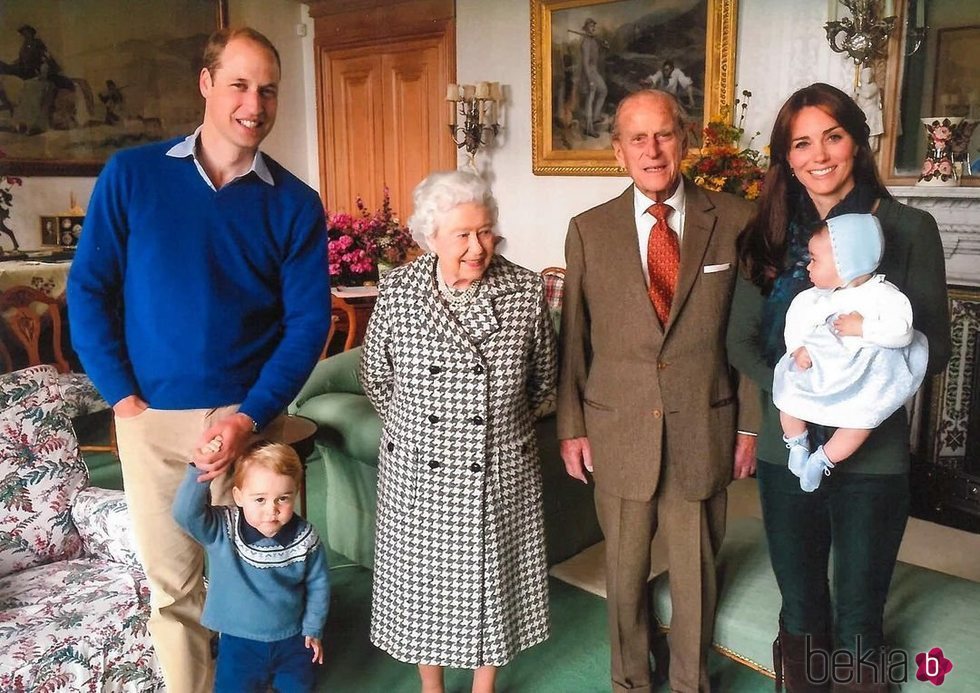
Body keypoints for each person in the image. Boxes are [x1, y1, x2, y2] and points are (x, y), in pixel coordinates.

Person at [67, 26, 330, 693]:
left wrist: (247, 419)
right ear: (207, 84)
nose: (255, 103)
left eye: (268, 89)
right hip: (150, 420)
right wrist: (120, 393)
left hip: (249, 421)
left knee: (261, 576)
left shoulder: (295, 203)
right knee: (175, 590)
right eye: (239, 84)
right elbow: (89, 287)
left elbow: (307, 325)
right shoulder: (133, 174)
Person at [727, 82, 950, 692]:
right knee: (800, 610)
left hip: (873, 455)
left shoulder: (908, 228)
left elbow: (936, 351)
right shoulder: (768, 231)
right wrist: (802, 390)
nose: (818, 155)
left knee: (859, 617)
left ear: (857, 141)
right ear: (785, 156)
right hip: (786, 448)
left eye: (833, 136)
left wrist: (858, 393)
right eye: (801, 143)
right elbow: (739, 343)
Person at [558, 89, 758, 693]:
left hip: (705, 423)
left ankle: (690, 682)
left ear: (686, 140)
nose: (652, 150)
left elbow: (752, 336)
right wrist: (571, 426)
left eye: (663, 134)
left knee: (696, 572)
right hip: (617, 428)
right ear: (618, 152)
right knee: (624, 573)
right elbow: (575, 341)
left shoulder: (736, 220)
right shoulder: (588, 231)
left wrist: (749, 424)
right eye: (637, 138)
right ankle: (629, 682)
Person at [360, 169, 556, 693]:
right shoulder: (400, 289)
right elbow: (376, 376)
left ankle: (484, 684)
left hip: (496, 465)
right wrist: (415, 432)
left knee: (491, 584)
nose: (477, 246)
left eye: (486, 231)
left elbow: (543, 381)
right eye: (462, 235)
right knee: (424, 587)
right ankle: (431, 684)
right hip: (418, 471)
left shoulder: (522, 289)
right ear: (430, 238)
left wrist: (500, 429)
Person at [773, 214, 928, 492]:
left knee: (861, 421)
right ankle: (797, 443)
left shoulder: (884, 296)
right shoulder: (814, 297)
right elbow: (794, 322)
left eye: (815, 260)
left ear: (847, 262)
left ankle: (823, 459)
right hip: (819, 367)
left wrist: (863, 328)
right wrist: (797, 348)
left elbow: (902, 331)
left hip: (861, 376)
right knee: (787, 395)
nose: (808, 266)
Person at [173, 441, 330, 692]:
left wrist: (313, 628)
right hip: (239, 643)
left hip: (293, 639)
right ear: (239, 496)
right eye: (259, 499)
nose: (272, 510)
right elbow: (185, 513)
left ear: (296, 493)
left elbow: (318, 585)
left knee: (300, 686)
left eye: (283, 498)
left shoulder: (305, 536)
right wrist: (199, 469)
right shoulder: (222, 528)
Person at [579, 18, 608, 138]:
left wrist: (605, 46)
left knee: (603, 90)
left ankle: (596, 117)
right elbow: (585, 63)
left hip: (594, 71)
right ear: (586, 28)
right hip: (588, 72)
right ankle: (589, 128)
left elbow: (598, 55)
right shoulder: (585, 42)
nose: (593, 28)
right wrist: (589, 79)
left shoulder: (594, 41)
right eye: (591, 26)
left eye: (593, 26)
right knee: (590, 98)